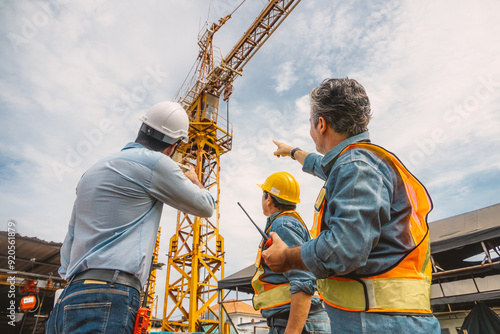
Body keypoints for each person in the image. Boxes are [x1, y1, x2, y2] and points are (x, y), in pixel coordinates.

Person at [262, 78, 441, 333]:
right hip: (385, 320)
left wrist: (287, 257)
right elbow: (326, 167)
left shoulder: (355, 166)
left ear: (320, 123)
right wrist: (293, 152)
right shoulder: (359, 162)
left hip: (376, 323)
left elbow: (343, 249)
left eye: (311, 123)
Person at [46, 101, 215, 334]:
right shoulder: (158, 163)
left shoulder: (93, 170)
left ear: (140, 130)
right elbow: (206, 206)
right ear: (172, 147)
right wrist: (195, 181)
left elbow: (70, 242)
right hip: (110, 296)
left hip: (69, 296)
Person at [252, 171, 330, 334]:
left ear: (269, 199)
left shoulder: (282, 225)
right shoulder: (290, 223)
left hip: (297, 323)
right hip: (299, 321)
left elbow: (303, 279)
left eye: (263, 194)